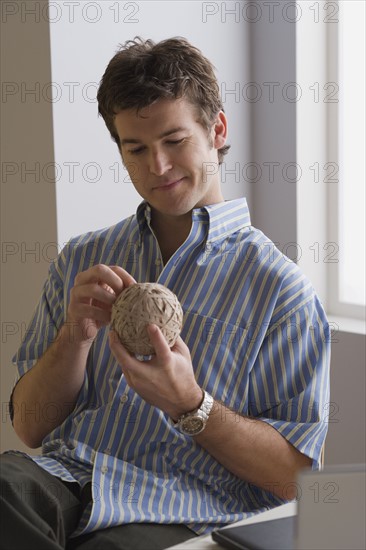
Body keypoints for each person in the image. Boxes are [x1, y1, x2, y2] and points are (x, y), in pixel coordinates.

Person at [1, 37, 330, 550]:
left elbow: (298, 479)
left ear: (216, 129)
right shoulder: (82, 260)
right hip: (67, 475)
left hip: (184, 503)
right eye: (136, 148)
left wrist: (190, 404)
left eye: (175, 141)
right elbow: (29, 428)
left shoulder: (281, 292)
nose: (157, 166)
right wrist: (75, 337)